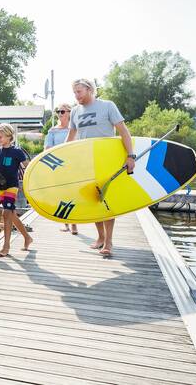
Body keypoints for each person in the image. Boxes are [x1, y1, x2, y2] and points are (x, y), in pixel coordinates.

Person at [65, 79, 135, 257]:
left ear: (89, 90)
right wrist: (63, 159)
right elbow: (71, 136)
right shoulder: (74, 111)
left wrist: (130, 155)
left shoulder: (107, 106)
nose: (76, 96)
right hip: (85, 161)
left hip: (106, 160)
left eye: (79, 92)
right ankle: (101, 236)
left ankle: (109, 241)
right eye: (74, 93)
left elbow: (123, 131)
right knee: (93, 199)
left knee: (106, 201)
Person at [0, 123, 33, 257]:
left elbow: (28, 166)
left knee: (5, 213)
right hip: (1, 186)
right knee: (11, 214)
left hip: (12, 186)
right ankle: (27, 237)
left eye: (0, 137)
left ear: (9, 136)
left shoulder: (17, 152)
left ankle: (6, 246)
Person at [45, 103, 77, 235]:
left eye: (63, 111)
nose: (60, 114)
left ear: (70, 113)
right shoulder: (53, 131)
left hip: (74, 167)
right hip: (58, 168)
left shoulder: (75, 129)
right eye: (58, 111)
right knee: (62, 196)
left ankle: (75, 224)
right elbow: (47, 149)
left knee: (74, 195)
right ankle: (66, 224)